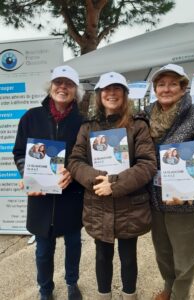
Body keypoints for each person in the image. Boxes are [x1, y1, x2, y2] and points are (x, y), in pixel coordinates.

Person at [67, 71, 157, 300]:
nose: (112, 93)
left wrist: (114, 184)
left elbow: (147, 164)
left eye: (117, 88)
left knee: (128, 257)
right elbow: (75, 161)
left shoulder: (138, 125)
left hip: (130, 206)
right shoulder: (88, 127)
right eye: (106, 89)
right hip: (99, 203)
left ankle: (130, 295)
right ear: (99, 95)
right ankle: (103, 296)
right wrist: (99, 179)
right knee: (102, 256)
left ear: (125, 94)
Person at [145, 64, 194, 300]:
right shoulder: (146, 115)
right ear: (155, 88)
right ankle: (169, 288)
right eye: (161, 84)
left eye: (172, 83)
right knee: (163, 251)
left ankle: (181, 295)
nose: (166, 89)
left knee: (184, 255)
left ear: (183, 87)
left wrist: (193, 183)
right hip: (155, 198)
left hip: (185, 200)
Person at [13, 65, 84, 300]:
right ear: (51, 87)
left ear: (76, 91)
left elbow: (87, 158)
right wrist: (27, 174)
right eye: (58, 83)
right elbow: (20, 152)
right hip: (40, 198)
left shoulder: (83, 122)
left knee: (73, 245)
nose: (62, 87)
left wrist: (73, 172)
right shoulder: (31, 116)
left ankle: (72, 283)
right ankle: (46, 290)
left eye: (69, 84)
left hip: (72, 196)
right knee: (43, 251)